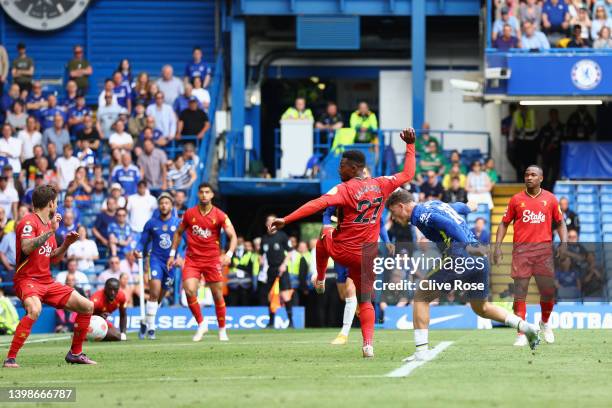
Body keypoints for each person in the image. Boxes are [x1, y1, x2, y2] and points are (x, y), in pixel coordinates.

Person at [268, 128, 417, 358]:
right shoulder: (382, 184)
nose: (339, 168)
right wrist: (410, 145)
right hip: (367, 256)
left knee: (323, 236)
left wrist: (286, 219)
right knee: (365, 300)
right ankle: (368, 344)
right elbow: (408, 173)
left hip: (343, 252)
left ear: (355, 168)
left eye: (342, 165)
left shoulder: (345, 189)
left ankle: (319, 277)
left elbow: (316, 204)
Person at [385, 190, 542, 361]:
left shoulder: (420, 214)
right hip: (480, 259)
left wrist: (467, 247)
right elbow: (454, 208)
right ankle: (526, 327)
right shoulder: (432, 205)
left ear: (401, 206)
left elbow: (448, 224)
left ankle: (421, 352)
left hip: (460, 255)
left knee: (421, 296)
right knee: (481, 308)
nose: (393, 217)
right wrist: (467, 207)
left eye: (393, 212)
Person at [3, 185, 96, 368]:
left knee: (87, 306)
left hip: (47, 281)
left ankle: (75, 353)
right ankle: (10, 358)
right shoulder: (28, 222)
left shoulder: (48, 225)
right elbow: (27, 247)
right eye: (56, 201)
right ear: (51, 203)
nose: (57, 205)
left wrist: (66, 244)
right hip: (27, 280)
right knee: (35, 309)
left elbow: (52, 257)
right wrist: (51, 232)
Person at [493, 165, 567, 347]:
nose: (529, 177)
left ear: (541, 178)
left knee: (548, 293)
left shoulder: (550, 199)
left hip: (544, 254)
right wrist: (497, 246)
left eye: (533, 175)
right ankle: (521, 332)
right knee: (520, 293)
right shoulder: (516, 200)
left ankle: (545, 322)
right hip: (522, 253)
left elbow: (560, 223)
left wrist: (564, 243)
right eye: (526, 174)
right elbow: (503, 224)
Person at [167, 183, 238, 342]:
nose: (204, 195)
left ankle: (222, 329)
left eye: (207, 192)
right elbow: (178, 233)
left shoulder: (220, 215)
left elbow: (233, 236)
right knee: (189, 290)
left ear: (212, 195)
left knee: (217, 295)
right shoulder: (189, 214)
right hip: (192, 259)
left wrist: (229, 254)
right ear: (198, 195)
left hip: (212, 259)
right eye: (201, 192)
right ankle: (201, 324)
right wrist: (172, 253)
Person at [323, 204, 392, 345]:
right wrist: (327, 227)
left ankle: (344, 334)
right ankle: (361, 311)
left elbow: (380, 222)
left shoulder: (371, 198)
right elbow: (326, 214)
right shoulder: (340, 195)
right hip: (340, 247)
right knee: (344, 294)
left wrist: (387, 241)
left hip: (361, 248)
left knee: (350, 289)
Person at [134, 192, 181, 339]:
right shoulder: (151, 223)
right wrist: (138, 249)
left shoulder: (178, 223)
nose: (164, 205)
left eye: (167, 203)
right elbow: (143, 241)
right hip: (155, 259)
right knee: (154, 293)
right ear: (159, 206)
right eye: (161, 203)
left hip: (171, 263)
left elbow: (187, 243)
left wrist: (182, 257)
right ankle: (151, 328)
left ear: (171, 206)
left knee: (160, 297)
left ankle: (145, 321)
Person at [260, 215, 293, 328]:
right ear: (266, 224)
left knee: (285, 295)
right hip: (270, 269)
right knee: (270, 295)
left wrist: (284, 265)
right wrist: (262, 265)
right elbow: (261, 255)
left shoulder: (282, 236)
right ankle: (271, 322)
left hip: (281, 268)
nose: (271, 223)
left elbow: (289, 252)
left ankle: (291, 322)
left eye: (273, 221)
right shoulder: (264, 239)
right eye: (269, 221)